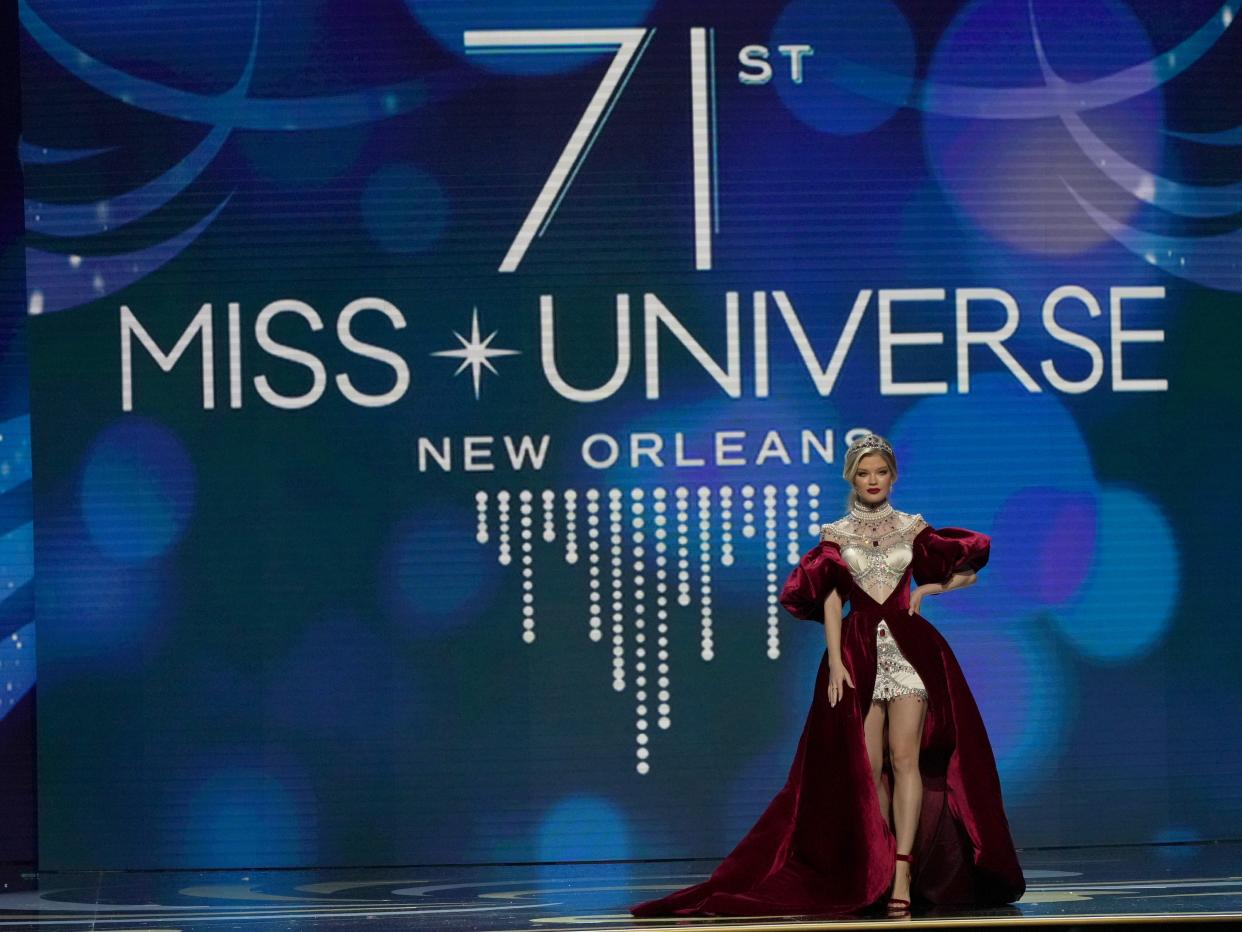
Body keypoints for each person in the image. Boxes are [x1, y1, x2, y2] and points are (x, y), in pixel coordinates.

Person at [631, 434, 1025, 917]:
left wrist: (927, 592)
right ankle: (877, 866)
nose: (873, 480)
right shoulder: (836, 534)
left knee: (906, 761)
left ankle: (902, 872)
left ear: (892, 475)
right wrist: (836, 660)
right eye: (864, 473)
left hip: (909, 652)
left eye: (880, 472)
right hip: (857, 653)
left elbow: (970, 568)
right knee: (867, 767)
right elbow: (831, 599)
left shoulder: (912, 528)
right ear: (851, 478)